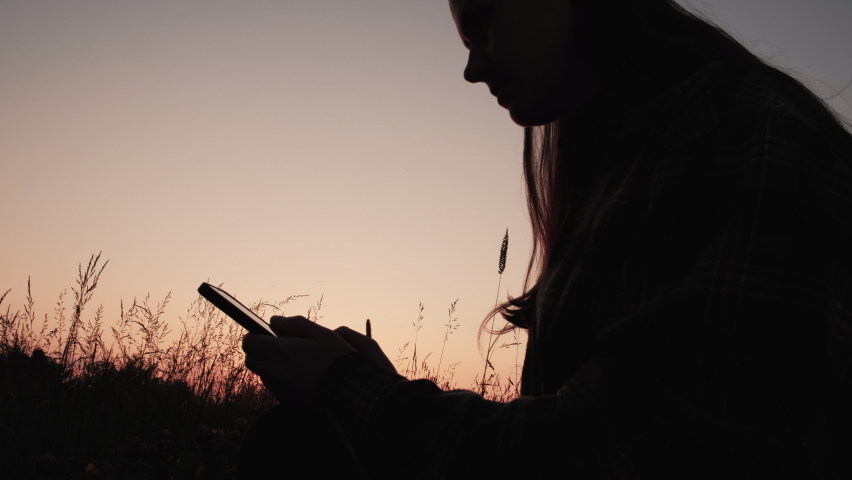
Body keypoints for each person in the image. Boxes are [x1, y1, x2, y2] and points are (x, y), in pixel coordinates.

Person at [238, 0, 852, 478]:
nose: (472, 67)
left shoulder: (745, 133)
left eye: (483, 22)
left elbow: (632, 457)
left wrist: (353, 391)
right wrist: (375, 391)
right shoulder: (638, 156)